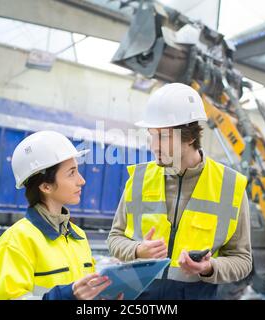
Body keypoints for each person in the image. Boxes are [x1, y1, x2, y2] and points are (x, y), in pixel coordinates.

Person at [108, 83, 252, 299]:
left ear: (190, 136)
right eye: (151, 135)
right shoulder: (138, 179)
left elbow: (242, 260)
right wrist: (138, 250)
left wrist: (209, 268)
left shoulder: (230, 187)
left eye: (164, 137)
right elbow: (115, 238)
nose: (154, 145)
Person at [0, 130, 115, 300]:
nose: (81, 180)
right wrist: (67, 296)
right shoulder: (15, 242)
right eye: (71, 173)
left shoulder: (78, 237)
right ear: (46, 186)